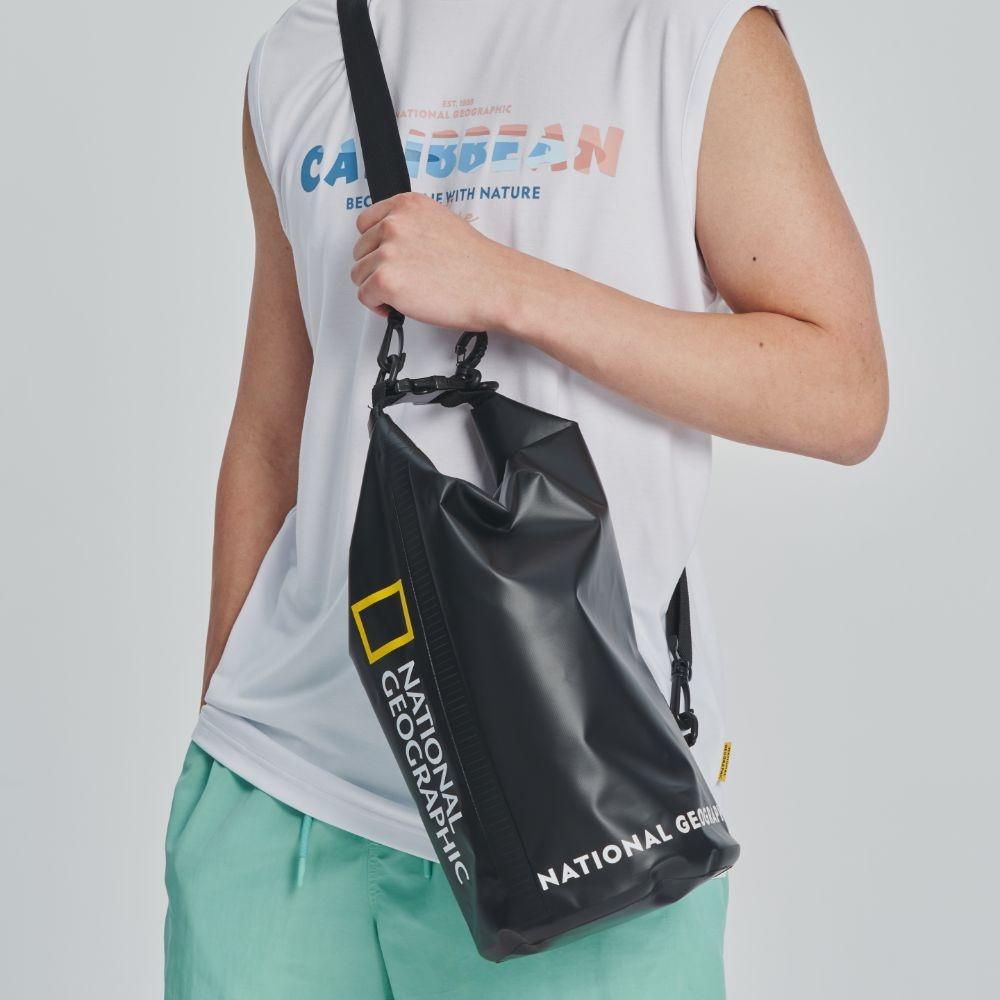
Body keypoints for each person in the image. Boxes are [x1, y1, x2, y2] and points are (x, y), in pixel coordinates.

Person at [163, 1, 887, 997]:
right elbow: (270, 432)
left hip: (586, 816)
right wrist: (222, 716)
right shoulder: (304, 49)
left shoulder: (688, 34)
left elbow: (845, 392)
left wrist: (506, 286)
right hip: (280, 805)